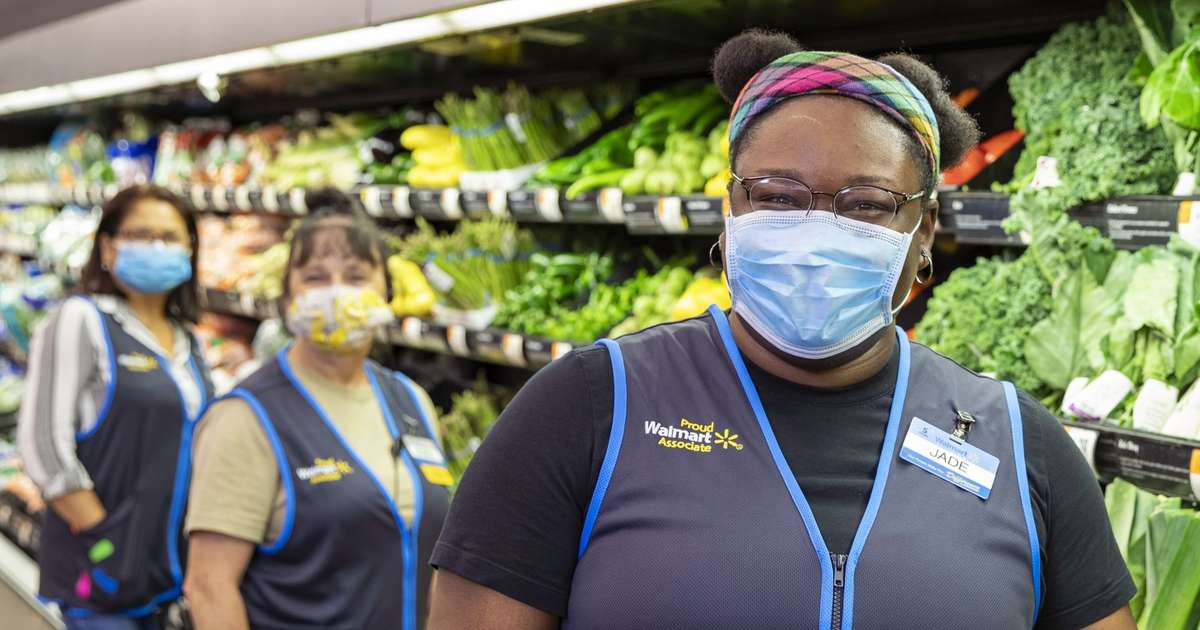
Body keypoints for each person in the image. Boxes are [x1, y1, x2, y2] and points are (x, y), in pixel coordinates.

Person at [427, 31, 1137, 630]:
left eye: (866, 204)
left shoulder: (1021, 447)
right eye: (776, 196)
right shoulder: (587, 408)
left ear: (924, 233)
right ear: (730, 207)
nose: (816, 231)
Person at [182, 204, 450, 630]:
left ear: (386, 292)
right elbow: (210, 586)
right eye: (316, 278)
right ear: (288, 297)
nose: (337, 292)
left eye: (357, 277)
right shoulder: (246, 418)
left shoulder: (410, 400)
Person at [17, 185, 213, 629]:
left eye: (170, 237)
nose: (156, 247)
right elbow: (43, 443)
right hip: (104, 568)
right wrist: (108, 539)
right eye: (141, 234)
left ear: (189, 250)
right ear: (107, 245)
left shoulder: (189, 341)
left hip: (166, 571)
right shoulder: (81, 319)